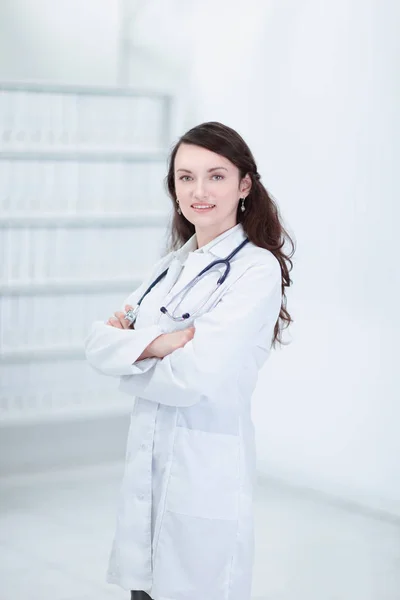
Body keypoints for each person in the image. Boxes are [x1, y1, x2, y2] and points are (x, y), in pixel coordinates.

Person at [84, 121, 295, 600]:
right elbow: (97, 344)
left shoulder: (255, 270)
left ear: (245, 185)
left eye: (216, 176)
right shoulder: (173, 264)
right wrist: (159, 345)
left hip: (204, 474)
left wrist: (132, 349)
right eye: (185, 177)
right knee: (144, 589)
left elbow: (191, 378)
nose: (199, 191)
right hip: (149, 467)